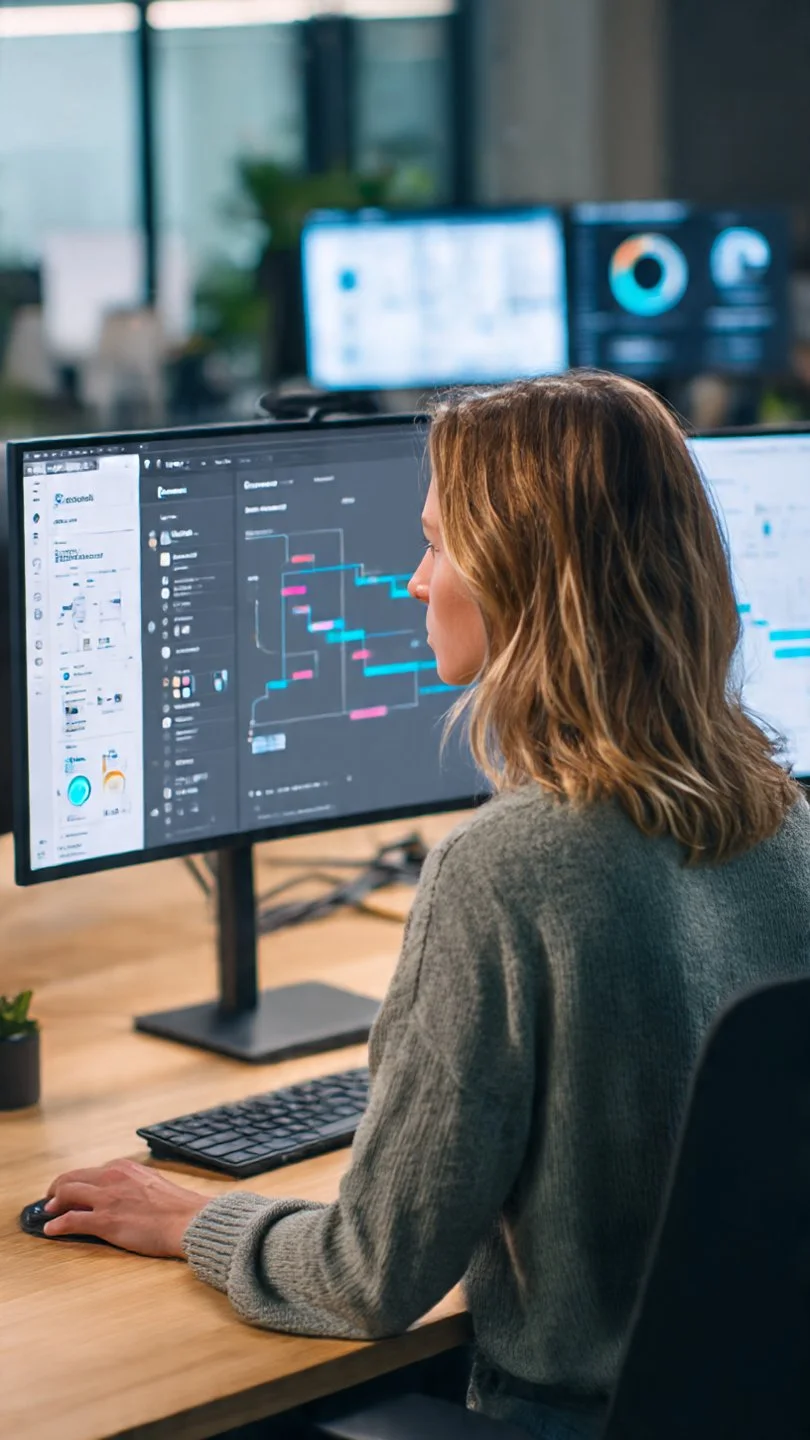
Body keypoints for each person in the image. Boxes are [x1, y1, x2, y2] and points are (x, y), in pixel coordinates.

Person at [41, 373, 810, 1439]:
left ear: (522, 576)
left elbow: (368, 1276)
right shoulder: (786, 820)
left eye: (437, 545)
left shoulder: (504, 871)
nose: (414, 581)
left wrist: (194, 1219)